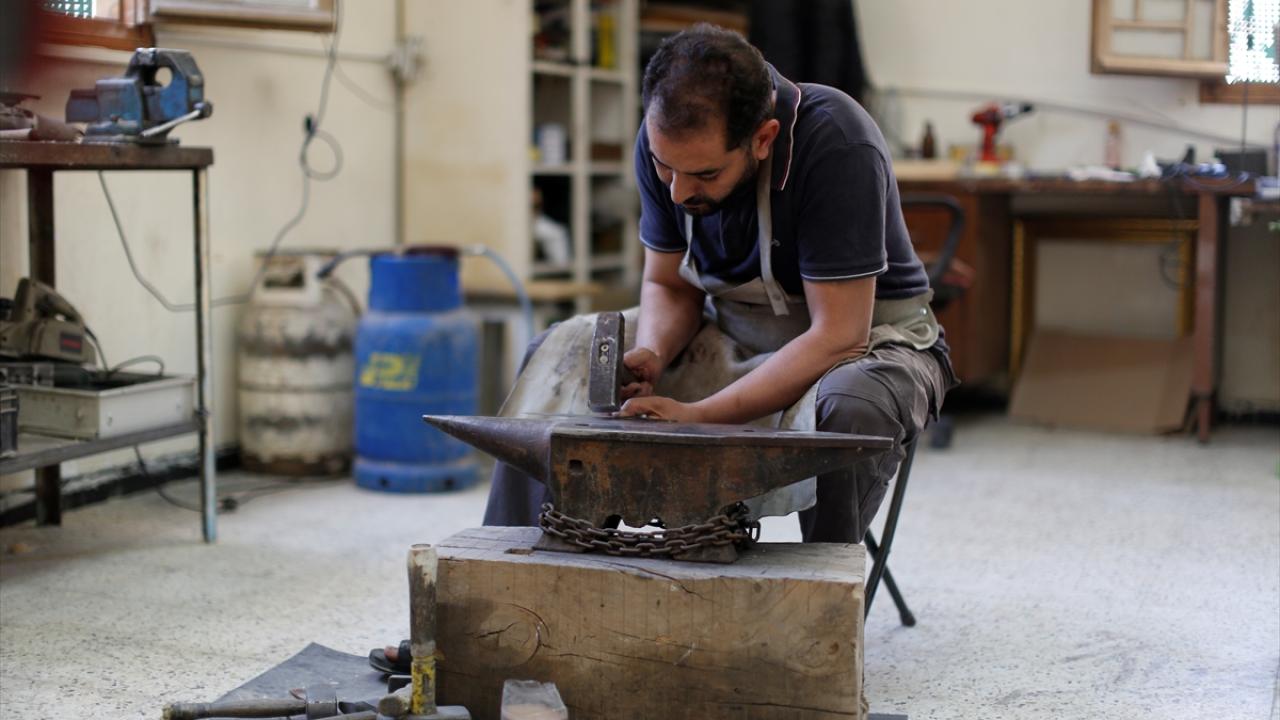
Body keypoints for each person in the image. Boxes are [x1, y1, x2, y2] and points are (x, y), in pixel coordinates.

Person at [371, 21, 958, 676]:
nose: (678, 191)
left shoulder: (835, 140)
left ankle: (806, 640)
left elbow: (837, 334)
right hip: (730, 331)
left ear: (763, 139)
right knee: (562, 351)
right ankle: (494, 614)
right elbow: (667, 283)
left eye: (704, 173)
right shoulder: (666, 139)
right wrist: (652, 351)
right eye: (664, 168)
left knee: (853, 406)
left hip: (866, 340)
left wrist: (701, 416)